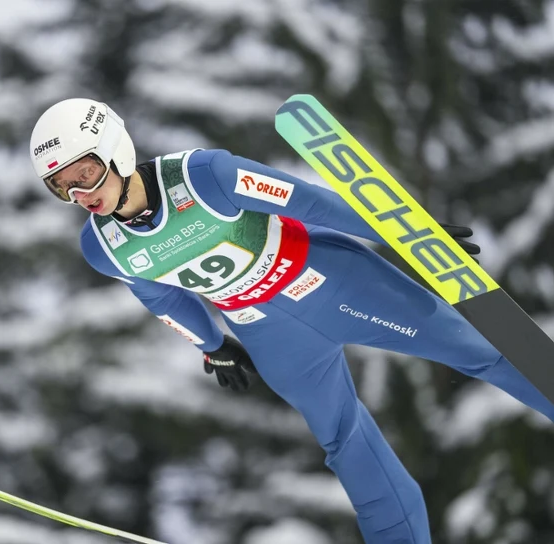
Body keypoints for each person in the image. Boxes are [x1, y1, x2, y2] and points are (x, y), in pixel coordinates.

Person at [28, 98, 554, 544]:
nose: (81, 195)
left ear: (117, 151)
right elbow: (161, 298)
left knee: (484, 350)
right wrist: (211, 344)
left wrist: (403, 232)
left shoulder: (205, 176)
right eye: (62, 187)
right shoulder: (103, 248)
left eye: (86, 173)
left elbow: (312, 204)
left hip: (335, 282)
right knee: (345, 443)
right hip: (272, 337)